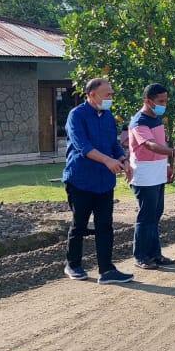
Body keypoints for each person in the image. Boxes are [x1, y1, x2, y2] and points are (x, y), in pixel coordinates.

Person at [62, 78, 134, 284]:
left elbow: (113, 144)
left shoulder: (109, 116)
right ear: (92, 95)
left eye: (111, 94)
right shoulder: (76, 116)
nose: (110, 98)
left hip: (104, 181)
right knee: (80, 224)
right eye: (107, 95)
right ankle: (73, 264)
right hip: (80, 179)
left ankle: (107, 269)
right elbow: (82, 146)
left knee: (105, 225)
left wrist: (123, 160)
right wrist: (108, 160)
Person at [128, 83, 175, 270]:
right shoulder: (139, 122)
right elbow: (149, 144)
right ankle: (140, 255)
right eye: (160, 101)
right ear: (148, 101)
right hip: (144, 175)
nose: (164, 104)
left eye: (166, 100)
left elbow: (160, 145)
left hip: (157, 172)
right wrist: (173, 153)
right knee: (146, 216)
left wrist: (166, 165)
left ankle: (155, 254)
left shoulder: (156, 119)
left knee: (155, 215)